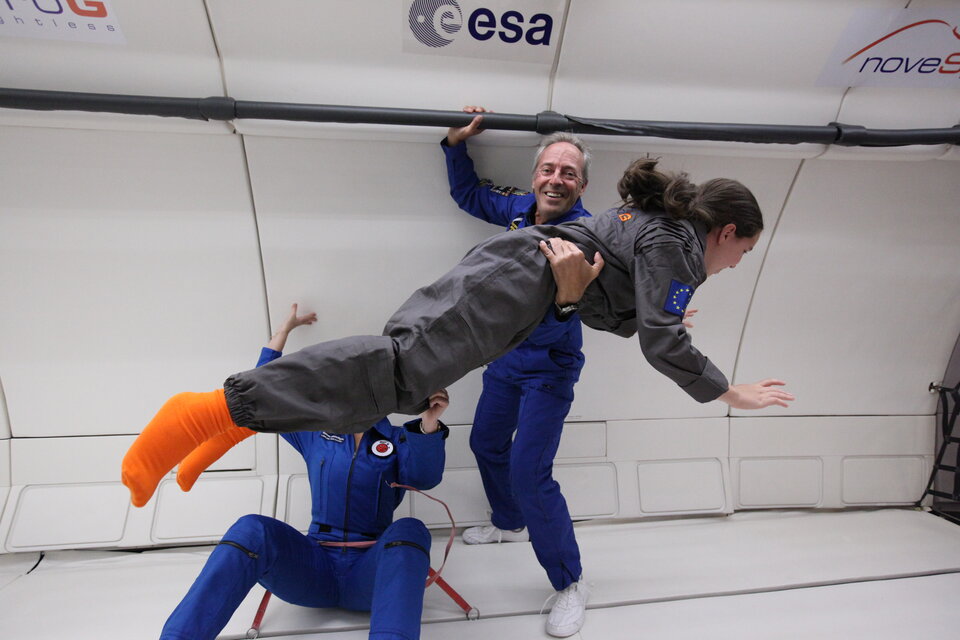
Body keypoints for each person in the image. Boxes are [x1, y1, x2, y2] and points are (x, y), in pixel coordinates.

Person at [122, 156, 794, 532]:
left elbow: (596, 294)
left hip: (516, 284)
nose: (737, 264)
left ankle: (228, 427)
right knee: (397, 371)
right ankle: (207, 410)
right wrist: (726, 389)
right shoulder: (678, 241)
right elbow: (658, 339)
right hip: (515, 282)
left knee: (397, 381)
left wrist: (638, 317)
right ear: (728, 231)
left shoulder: (655, 226)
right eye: (744, 250)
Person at [159, 304, 450, 640]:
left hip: (370, 573)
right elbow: (264, 394)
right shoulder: (313, 433)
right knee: (251, 529)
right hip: (314, 569)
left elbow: (425, 477)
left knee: (411, 529)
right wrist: (282, 334)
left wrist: (429, 425)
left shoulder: (400, 439)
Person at [441, 107, 591, 637]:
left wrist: (663, 308)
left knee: (531, 472)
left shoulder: (589, 238)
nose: (556, 179)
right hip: (504, 362)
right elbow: (468, 195)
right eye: (549, 169)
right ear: (535, 177)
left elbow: (613, 298)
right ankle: (509, 522)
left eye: (568, 173)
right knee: (485, 444)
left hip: (549, 368)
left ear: (581, 185)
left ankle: (570, 582)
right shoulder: (516, 209)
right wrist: (456, 144)